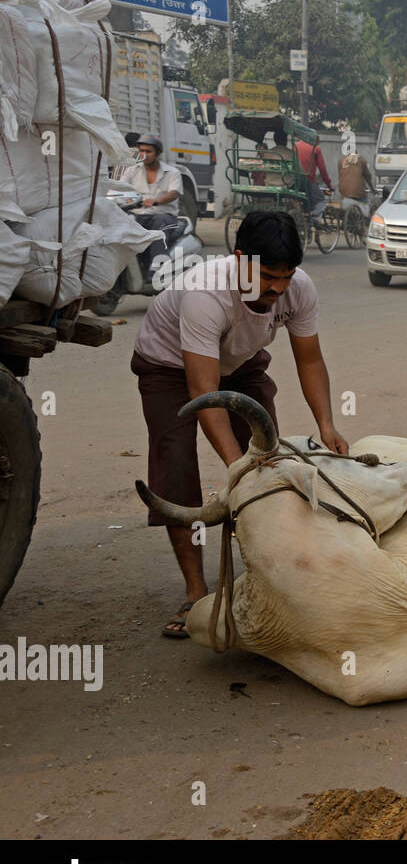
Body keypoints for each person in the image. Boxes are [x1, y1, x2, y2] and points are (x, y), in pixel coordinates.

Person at [130, 211, 348, 638]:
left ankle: (267, 576)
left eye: (286, 276)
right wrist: (236, 465)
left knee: (269, 461)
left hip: (240, 361)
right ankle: (196, 591)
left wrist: (327, 425)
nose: (277, 288)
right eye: (267, 276)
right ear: (239, 259)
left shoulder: (298, 289)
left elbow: (310, 359)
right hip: (170, 367)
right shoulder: (204, 293)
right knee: (176, 468)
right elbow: (204, 393)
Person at [117, 134, 182, 282]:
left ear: (158, 153)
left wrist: (157, 201)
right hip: (138, 214)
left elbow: (174, 193)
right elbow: (121, 189)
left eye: (149, 151)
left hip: (165, 215)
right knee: (122, 225)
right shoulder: (132, 170)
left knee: (158, 225)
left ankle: (158, 267)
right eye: (142, 151)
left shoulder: (172, 172)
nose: (144, 155)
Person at [294, 134, 333, 222]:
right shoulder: (316, 148)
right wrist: (329, 185)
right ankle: (314, 221)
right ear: (316, 141)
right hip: (309, 181)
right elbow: (322, 170)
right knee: (321, 201)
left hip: (294, 182)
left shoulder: (295, 146)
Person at [337, 147, 375, 221]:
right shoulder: (361, 160)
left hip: (344, 192)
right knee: (366, 204)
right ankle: (365, 221)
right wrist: (372, 189)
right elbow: (367, 176)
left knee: (343, 201)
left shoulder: (341, 161)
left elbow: (340, 176)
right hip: (358, 192)